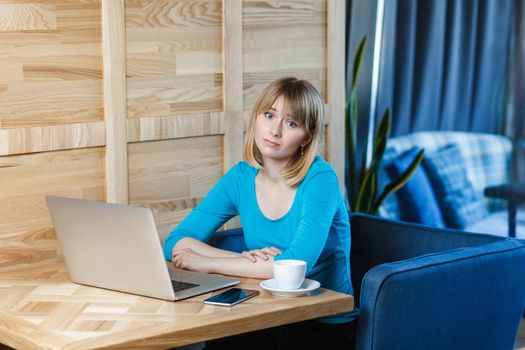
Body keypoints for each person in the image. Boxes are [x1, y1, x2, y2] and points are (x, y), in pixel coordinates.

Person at [163, 77, 355, 349]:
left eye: (291, 123)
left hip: (321, 320)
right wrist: (240, 258)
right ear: (256, 118)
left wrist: (203, 262)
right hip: (262, 313)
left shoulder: (320, 178)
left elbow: (295, 266)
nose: (275, 130)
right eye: (269, 115)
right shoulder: (241, 178)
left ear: (308, 136)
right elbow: (174, 242)